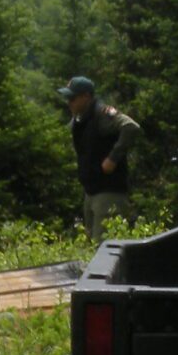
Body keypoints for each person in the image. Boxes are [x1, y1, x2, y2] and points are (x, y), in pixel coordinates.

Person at [60, 77, 140, 240]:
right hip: (91, 192)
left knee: (103, 249)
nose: (69, 103)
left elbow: (131, 127)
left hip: (109, 192)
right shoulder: (80, 119)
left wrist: (113, 158)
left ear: (86, 96)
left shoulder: (103, 114)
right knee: (91, 247)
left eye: (72, 98)